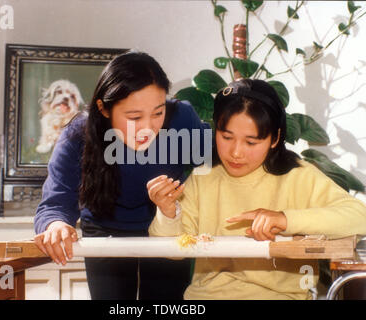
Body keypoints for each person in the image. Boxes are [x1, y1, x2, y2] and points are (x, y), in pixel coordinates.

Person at [147, 78, 366, 300]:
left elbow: (360, 217)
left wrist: (284, 220)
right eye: (226, 137)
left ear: (275, 138)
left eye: (251, 142)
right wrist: (167, 212)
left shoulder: (299, 176)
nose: (236, 152)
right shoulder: (205, 176)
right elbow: (170, 250)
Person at [33, 50, 212, 300]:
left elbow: (225, 153)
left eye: (158, 113)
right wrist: (56, 224)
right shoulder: (78, 134)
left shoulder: (181, 118)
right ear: (104, 109)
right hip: (105, 230)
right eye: (134, 117)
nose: (148, 127)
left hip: (167, 227)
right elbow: (56, 200)